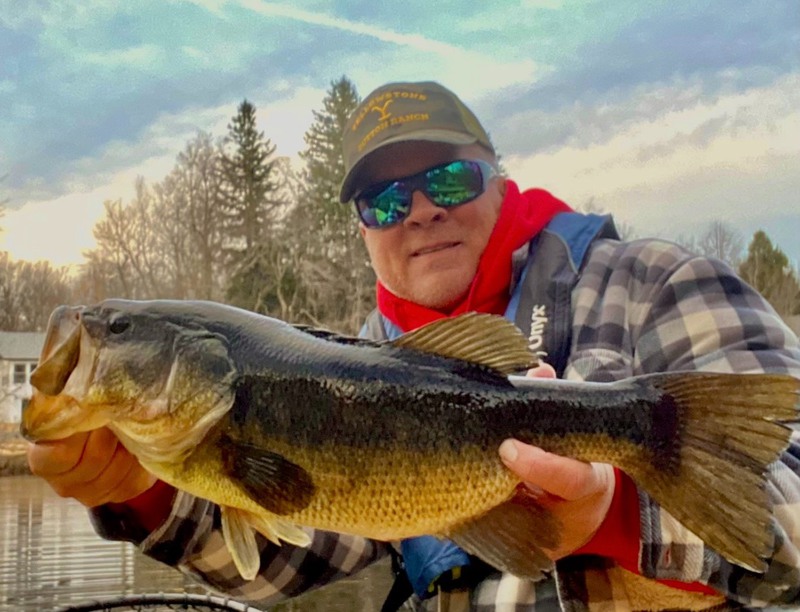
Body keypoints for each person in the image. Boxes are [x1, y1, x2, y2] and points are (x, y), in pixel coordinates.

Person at [28, 81, 800, 610]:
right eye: (386, 199)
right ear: (363, 230)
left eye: (450, 180)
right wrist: (140, 491)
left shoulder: (657, 282)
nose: (421, 210)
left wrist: (615, 511)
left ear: (500, 181)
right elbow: (287, 559)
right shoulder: (357, 358)